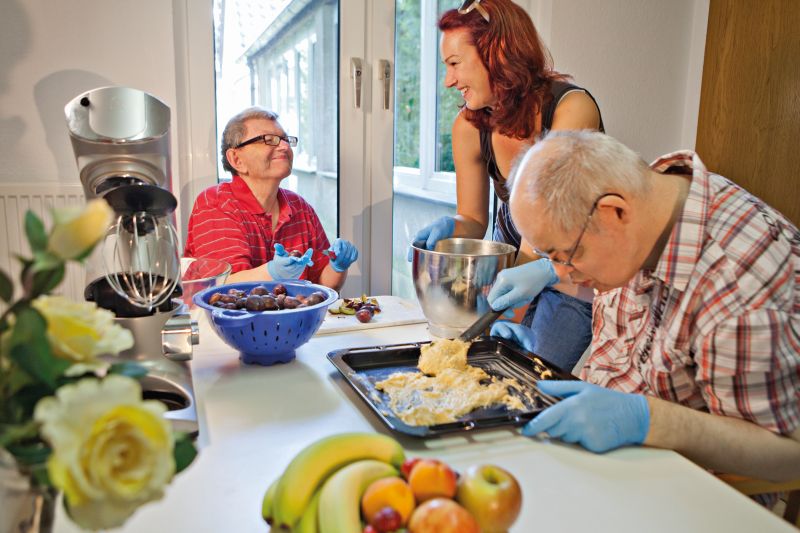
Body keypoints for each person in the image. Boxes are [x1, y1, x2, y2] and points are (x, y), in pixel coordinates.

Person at [489, 130, 800, 484]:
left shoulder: (740, 292)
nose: (564, 272)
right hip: (605, 459)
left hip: (687, 491)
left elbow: (788, 453)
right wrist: (531, 361)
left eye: (565, 256)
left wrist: (650, 419)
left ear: (613, 212)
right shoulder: (651, 198)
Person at [410, 0, 604, 370]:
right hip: (518, 266)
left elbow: (543, 221)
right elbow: (472, 218)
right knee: (484, 376)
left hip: (574, 273)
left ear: (496, 52)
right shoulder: (468, 127)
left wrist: (512, 308)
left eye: (454, 64)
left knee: (529, 380)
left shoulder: (570, 110)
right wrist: (450, 229)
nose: (449, 81)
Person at [184, 108, 357, 290]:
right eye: (269, 140)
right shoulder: (215, 203)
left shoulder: (300, 208)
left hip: (293, 318)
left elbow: (322, 285)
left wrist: (337, 266)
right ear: (237, 159)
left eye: (285, 139)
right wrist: (273, 273)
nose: (284, 147)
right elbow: (224, 288)